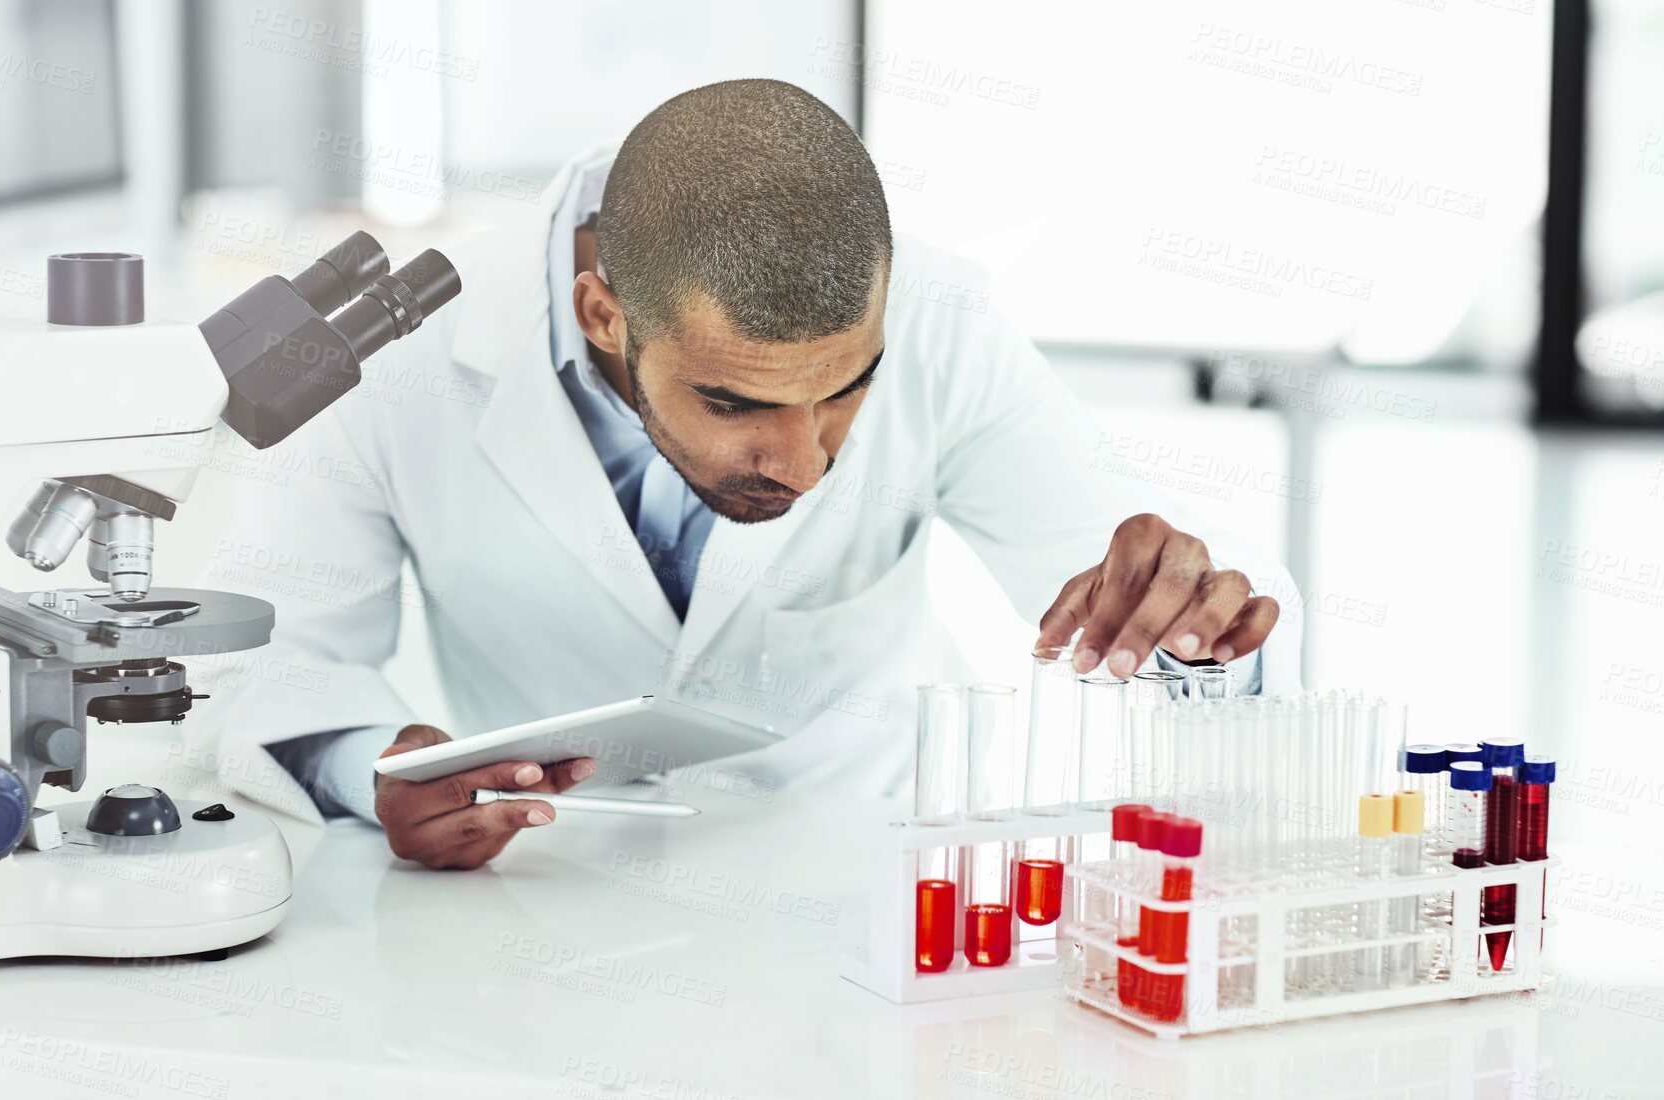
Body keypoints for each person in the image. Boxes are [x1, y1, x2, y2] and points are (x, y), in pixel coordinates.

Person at [206, 78, 1299, 870]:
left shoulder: (942, 319)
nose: (804, 460)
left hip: (866, 877)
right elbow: (277, 658)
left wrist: (1193, 619)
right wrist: (381, 769)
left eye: (844, 390)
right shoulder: (398, 358)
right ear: (603, 313)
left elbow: (1122, 570)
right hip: (553, 881)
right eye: (735, 402)